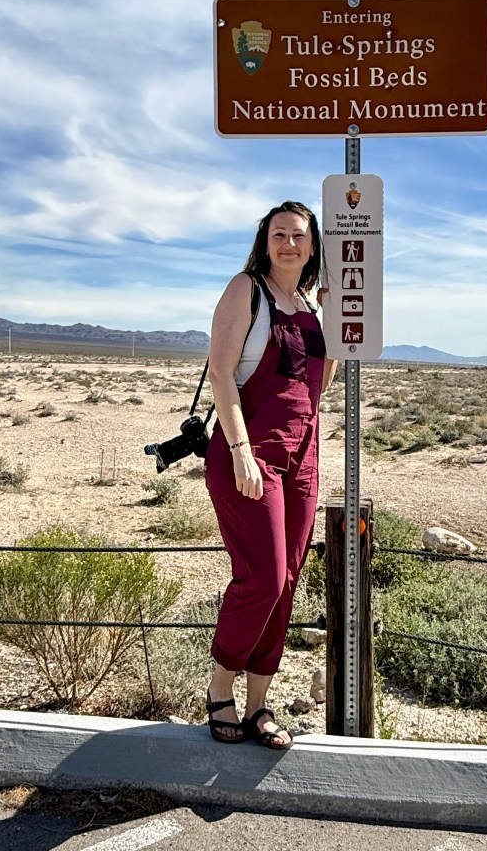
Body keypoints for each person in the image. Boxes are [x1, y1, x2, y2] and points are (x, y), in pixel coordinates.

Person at [203, 200, 336, 750]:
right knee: (261, 575)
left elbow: (319, 387)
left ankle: (259, 704)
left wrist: (338, 319)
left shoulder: (309, 303)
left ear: (312, 246)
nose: (289, 244)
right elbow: (221, 372)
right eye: (279, 234)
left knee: (285, 583)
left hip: (302, 459)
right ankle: (219, 690)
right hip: (249, 454)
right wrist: (239, 451)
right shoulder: (246, 290)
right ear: (265, 240)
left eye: (299, 236)